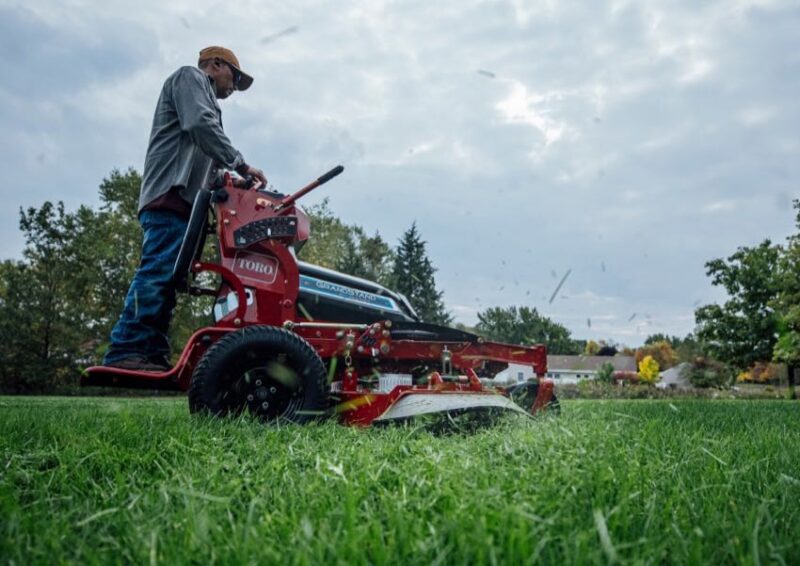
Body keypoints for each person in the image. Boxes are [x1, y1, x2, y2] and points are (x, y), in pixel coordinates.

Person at [103, 46, 267, 371]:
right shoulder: (189, 78)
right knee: (157, 271)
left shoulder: (204, 103)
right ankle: (126, 348)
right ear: (215, 65)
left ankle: (150, 354)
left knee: (169, 278)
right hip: (169, 196)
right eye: (234, 77)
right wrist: (242, 164)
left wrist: (235, 182)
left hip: (184, 205)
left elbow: (206, 168)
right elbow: (200, 125)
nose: (234, 86)